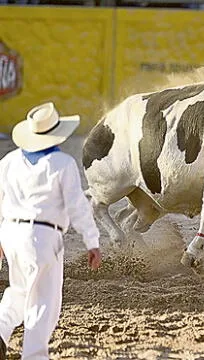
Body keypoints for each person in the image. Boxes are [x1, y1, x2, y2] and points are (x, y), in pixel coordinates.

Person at [0, 102, 102, 359]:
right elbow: (77, 205)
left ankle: (1, 330)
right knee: (44, 302)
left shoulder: (9, 161)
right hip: (43, 237)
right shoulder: (62, 163)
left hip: (10, 232)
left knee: (18, 291)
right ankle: (34, 356)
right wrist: (92, 240)